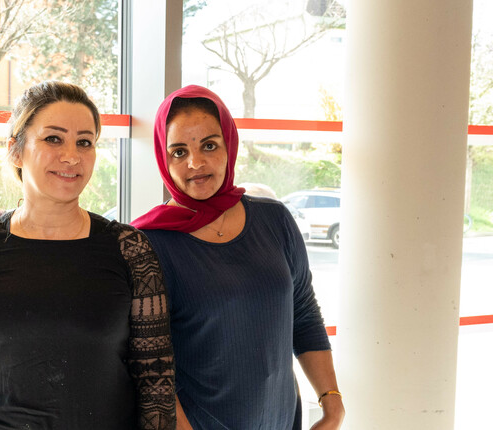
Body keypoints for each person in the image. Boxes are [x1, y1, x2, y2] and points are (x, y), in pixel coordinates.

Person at [0, 81, 176, 429]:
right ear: (16, 150)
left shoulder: (129, 249)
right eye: (53, 138)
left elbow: (156, 383)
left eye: (85, 142)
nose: (72, 156)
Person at [130, 85, 344, 430]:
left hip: (280, 420)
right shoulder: (147, 243)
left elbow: (303, 314)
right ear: (162, 157)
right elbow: (150, 367)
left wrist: (331, 404)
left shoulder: (274, 220)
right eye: (179, 151)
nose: (195, 163)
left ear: (229, 146)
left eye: (209, 146)